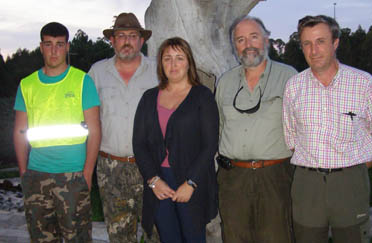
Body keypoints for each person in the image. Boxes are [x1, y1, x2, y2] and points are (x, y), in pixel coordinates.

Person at [283, 15, 372, 243]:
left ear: (335, 43)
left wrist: (356, 166)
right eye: (307, 44)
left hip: (350, 182)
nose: (314, 50)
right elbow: (291, 136)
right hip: (307, 184)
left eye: (321, 41)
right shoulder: (294, 87)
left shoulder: (363, 83)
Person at [13, 22, 101, 242]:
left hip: (73, 177)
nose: (54, 50)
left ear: (67, 47)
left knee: (77, 238)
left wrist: (87, 174)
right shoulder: (27, 85)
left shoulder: (82, 81)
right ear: (41, 47)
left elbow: (95, 130)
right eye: (49, 44)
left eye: (59, 44)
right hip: (36, 176)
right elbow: (19, 131)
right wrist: (24, 173)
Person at [215, 16, 297, 243]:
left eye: (254, 36)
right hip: (233, 177)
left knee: (277, 237)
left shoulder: (289, 77)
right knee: (234, 236)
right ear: (234, 46)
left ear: (266, 40)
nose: (248, 44)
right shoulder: (225, 82)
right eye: (240, 40)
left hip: (276, 176)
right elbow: (220, 125)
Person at [133, 37, 219, 243]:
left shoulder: (202, 97)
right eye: (167, 59)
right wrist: (153, 180)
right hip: (160, 182)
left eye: (179, 58)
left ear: (189, 62)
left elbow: (210, 146)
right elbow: (139, 144)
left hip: (190, 181)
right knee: (168, 238)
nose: (173, 64)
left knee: (193, 237)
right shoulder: (148, 98)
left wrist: (191, 183)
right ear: (161, 64)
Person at [88, 12, 158, 242]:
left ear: (142, 40)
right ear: (112, 40)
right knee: (118, 235)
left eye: (132, 35)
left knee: (158, 232)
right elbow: (87, 120)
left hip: (152, 167)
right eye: (121, 35)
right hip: (110, 168)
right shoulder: (96, 73)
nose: (127, 40)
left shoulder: (159, 72)